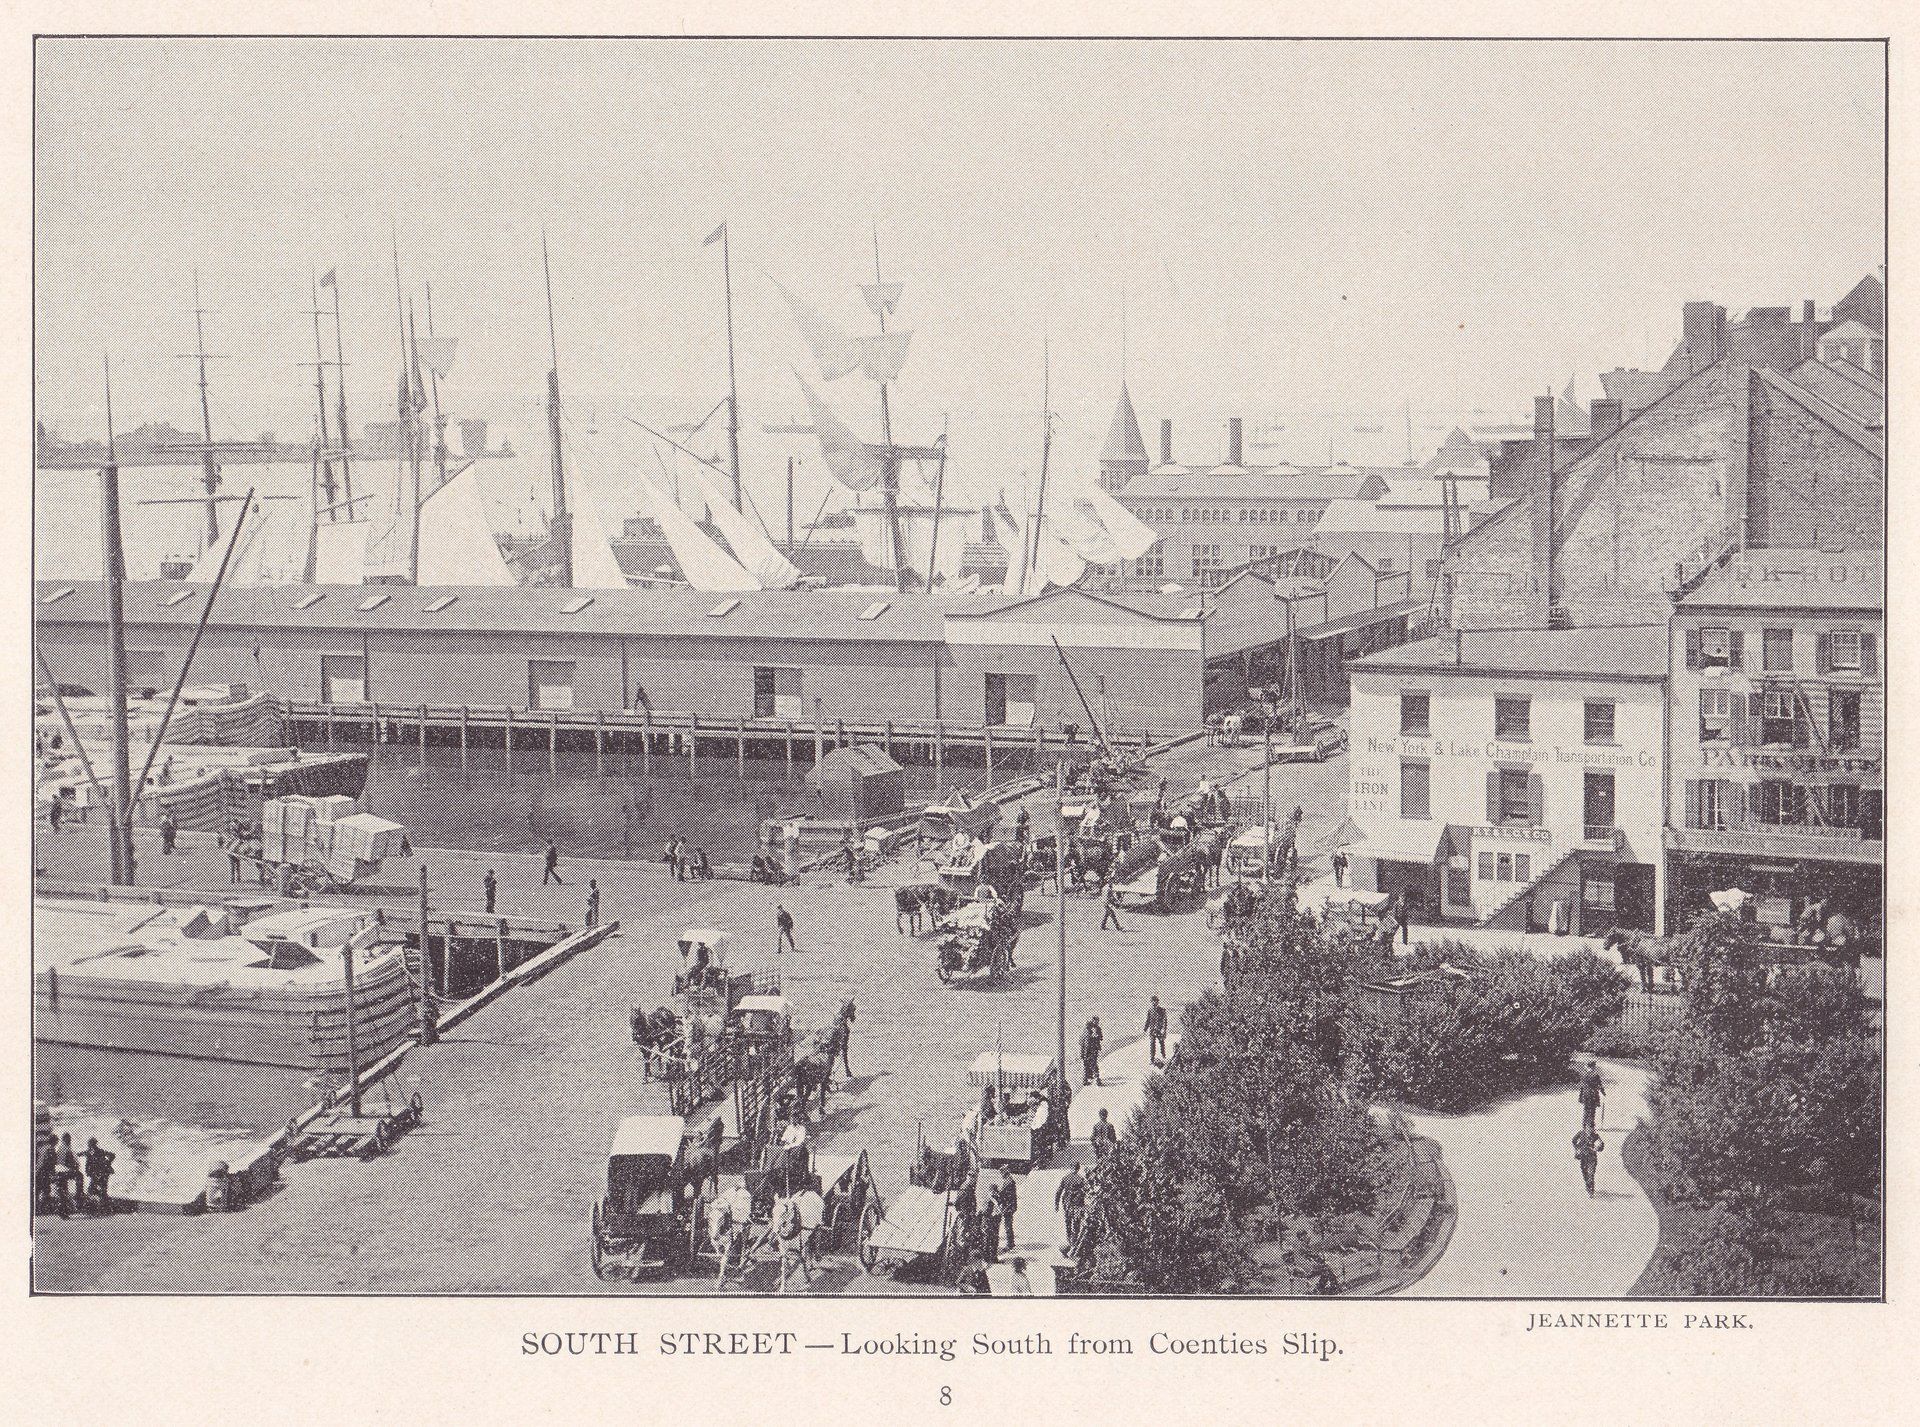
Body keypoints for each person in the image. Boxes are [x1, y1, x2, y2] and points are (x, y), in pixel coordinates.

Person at [1054, 1164, 1088, 1249]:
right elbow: (1085, 1192)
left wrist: (1056, 1204)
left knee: (1068, 1221)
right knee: (1076, 1222)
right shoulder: (1081, 1179)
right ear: (1078, 1168)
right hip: (1078, 1204)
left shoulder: (1065, 1178)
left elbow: (1058, 1191)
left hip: (1067, 1203)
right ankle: (1074, 1241)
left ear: (1070, 1168)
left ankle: (1069, 1239)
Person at [53, 1133, 82, 1218]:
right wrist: (75, 1167)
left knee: (63, 1191)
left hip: (59, 1171)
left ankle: (63, 1212)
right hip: (64, 1171)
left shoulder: (60, 1148)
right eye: (69, 1139)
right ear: (66, 1140)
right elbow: (72, 1162)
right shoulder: (66, 1148)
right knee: (79, 1176)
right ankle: (78, 1196)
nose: (70, 1141)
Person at [82, 1136, 115, 1210]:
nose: (89, 1146)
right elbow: (112, 1155)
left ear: (91, 1144)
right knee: (102, 1189)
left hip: (99, 1173)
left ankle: (98, 1206)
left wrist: (106, 1163)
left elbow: (88, 1163)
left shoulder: (91, 1152)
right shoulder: (99, 1151)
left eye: (89, 1144)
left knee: (93, 1189)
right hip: (103, 1172)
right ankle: (105, 1206)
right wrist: (108, 1163)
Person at [991, 1169, 1018, 1252]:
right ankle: (1011, 1242)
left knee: (1007, 1226)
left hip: (1008, 1207)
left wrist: (995, 1193)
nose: (1001, 1175)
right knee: (1008, 1225)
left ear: (1004, 1173)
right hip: (1010, 1206)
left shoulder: (1008, 1182)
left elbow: (1002, 1195)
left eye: (1002, 1174)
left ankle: (1010, 1244)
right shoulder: (1009, 1180)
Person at [1572, 1128, 1604, 1196]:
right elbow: (1573, 1141)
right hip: (1583, 1157)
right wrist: (1577, 1149)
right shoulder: (1581, 1134)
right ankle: (1588, 1185)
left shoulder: (1595, 1135)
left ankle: (1591, 1189)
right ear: (1585, 1127)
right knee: (1585, 1172)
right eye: (1588, 1127)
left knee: (1591, 1174)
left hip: (1592, 1158)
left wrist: (1597, 1147)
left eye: (1591, 1128)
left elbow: (1601, 1145)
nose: (1589, 1130)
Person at [1578, 1059, 1605, 1132]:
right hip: (1593, 1094)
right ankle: (1591, 1127)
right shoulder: (1595, 1075)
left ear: (1587, 1066)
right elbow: (1600, 1086)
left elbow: (1582, 1086)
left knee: (1586, 1110)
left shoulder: (1583, 1075)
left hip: (1585, 1094)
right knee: (1592, 1110)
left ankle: (1584, 1126)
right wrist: (1603, 1093)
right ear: (1593, 1067)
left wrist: (1580, 1096)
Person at [1080, 1016, 1104, 1087]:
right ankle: (1096, 1080)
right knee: (1092, 1064)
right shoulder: (1090, 1030)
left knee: (1087, 1064)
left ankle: (1086, 1079)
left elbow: (1081, 1041)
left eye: (1097, 1021)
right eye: (1096, 1021)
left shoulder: (1088, 1029)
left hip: (1088, 1050)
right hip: (1090, 1050)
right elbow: (1085, 1041)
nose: (1097, 1022)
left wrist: (1097, 1037)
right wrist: (1096, 1037)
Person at [34, 1136, 56, 1215]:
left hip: (38, 1172)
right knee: (46, 1190)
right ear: (54, 1142)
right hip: (44, 1172)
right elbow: (51, 1163)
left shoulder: (42, 1149)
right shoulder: (51, 1150)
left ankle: (37, 1209)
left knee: (38, 1190)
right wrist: (52, 1173)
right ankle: (43, 1209)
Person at [1145, 995, 1169, 1065]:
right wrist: (1145, 1029)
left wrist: (1164, 1030)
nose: (1154, 1003)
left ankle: (1163, 1056)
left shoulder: (1162, 1010)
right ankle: (1152, 1059)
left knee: (1161, 1043)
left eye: (1156, 1001)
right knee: (1152, 1044)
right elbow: (1148, 1020)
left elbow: (1165, 1021)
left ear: (1158, 1002)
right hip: (1152, 1030)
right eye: (1153, 1001)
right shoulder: (1150, 1010)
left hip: (1159, 1030)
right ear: (1151, 1002)